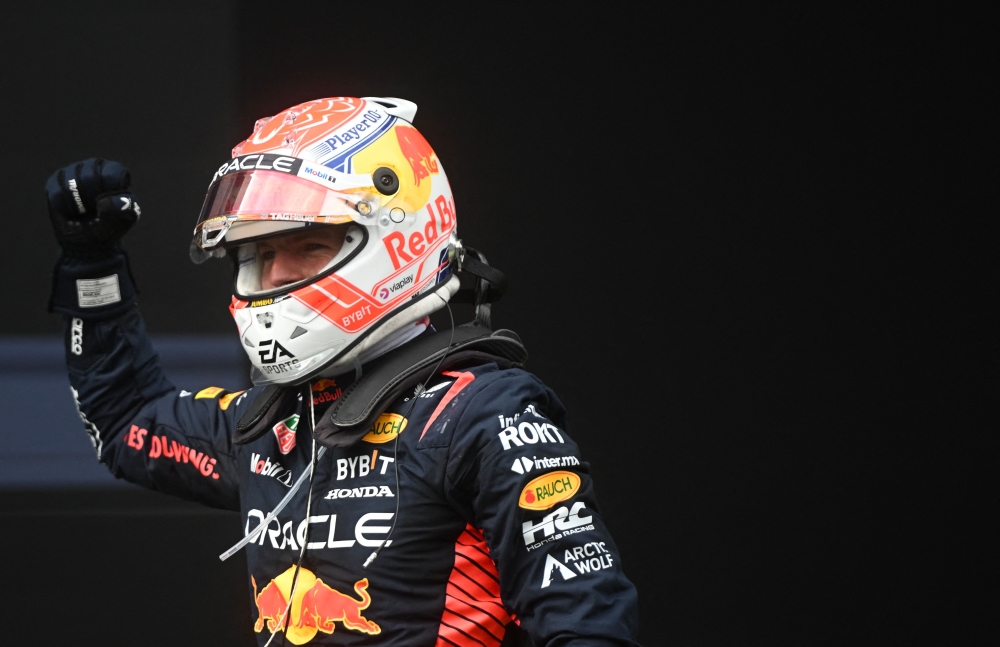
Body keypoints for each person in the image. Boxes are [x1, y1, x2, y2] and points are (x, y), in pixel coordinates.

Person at [46, 96, 640, 646]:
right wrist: (92, 268)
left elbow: (587, 627)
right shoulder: (267, 424)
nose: (275, 276)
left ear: (397, 240)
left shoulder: (479, 415)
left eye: (306, 246)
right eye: (260, 254)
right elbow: (126, 422)